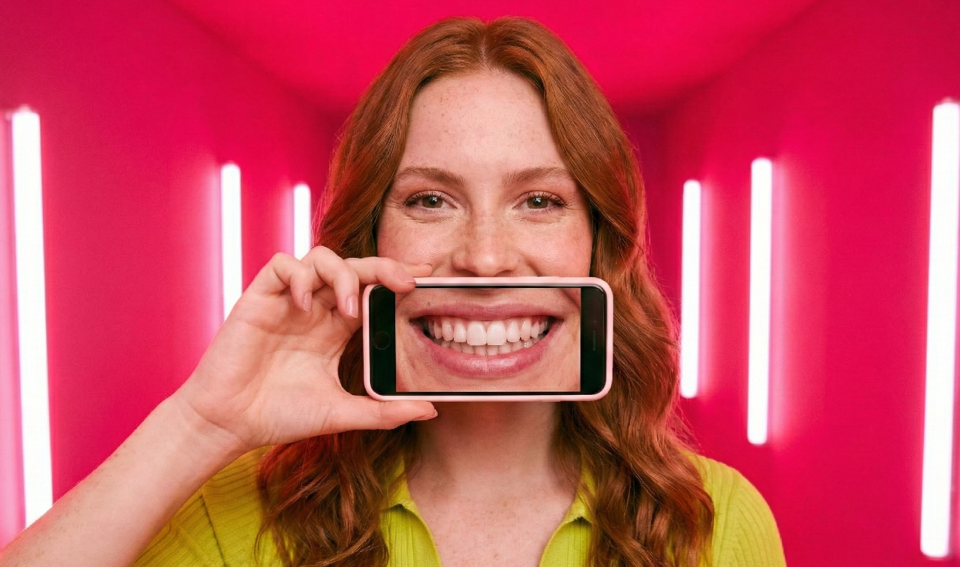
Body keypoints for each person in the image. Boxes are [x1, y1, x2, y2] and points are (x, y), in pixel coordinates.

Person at [0, 17, 785, 567]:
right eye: (430, 200)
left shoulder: (715, 525)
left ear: (598, 245)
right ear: (369, 242)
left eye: (540, 200)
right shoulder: (239, 519)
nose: (483, 258)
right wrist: (199, 424)